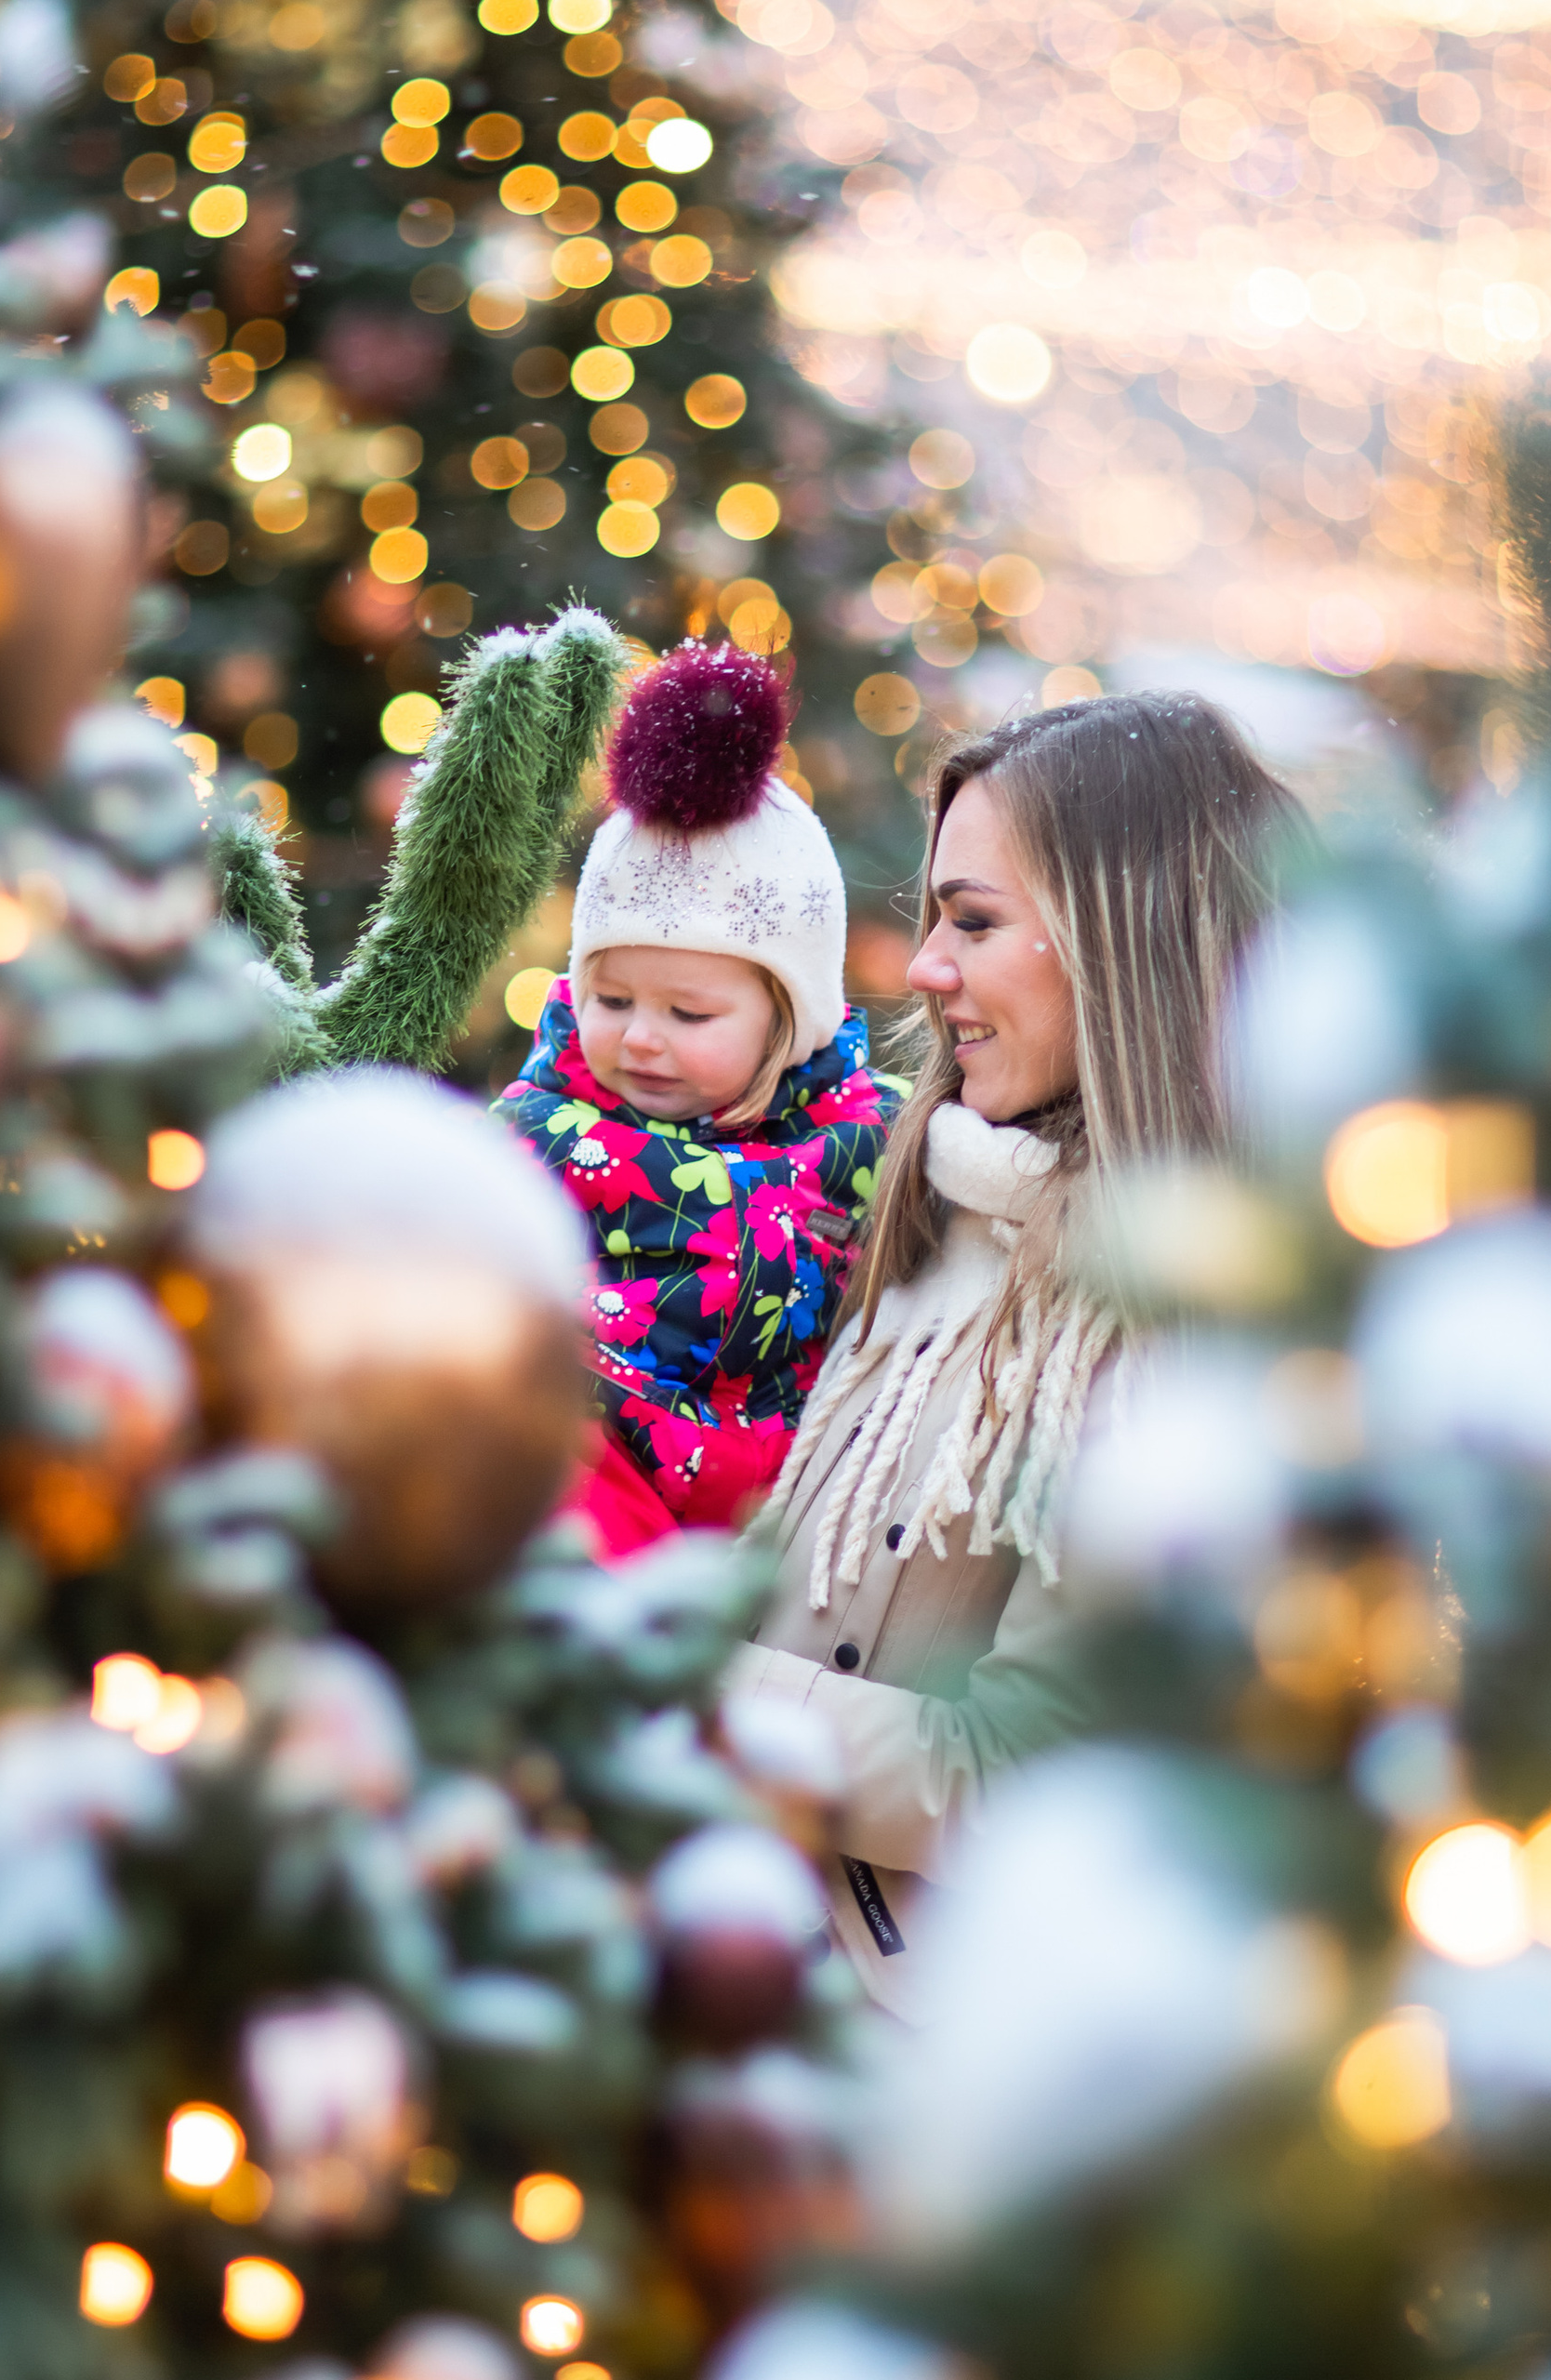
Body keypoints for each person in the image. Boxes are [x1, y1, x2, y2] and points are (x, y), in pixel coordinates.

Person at [721, 691, 1306, 2018]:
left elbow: (1028, 1781)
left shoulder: (1189, 1327)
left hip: (927, 2058)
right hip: (742, 1959)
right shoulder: (943, 1206)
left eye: (974, 922)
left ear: (1124, 942)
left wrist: (700, 1683)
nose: (925, 966)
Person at [498, 642, 901, 1554]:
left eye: (688, 1011)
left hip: (779, 1506)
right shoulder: (541, 1132)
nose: (640, 1036)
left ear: (784, 1019)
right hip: (596, 1469)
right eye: (610, 1000)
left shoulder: (863, 1135)